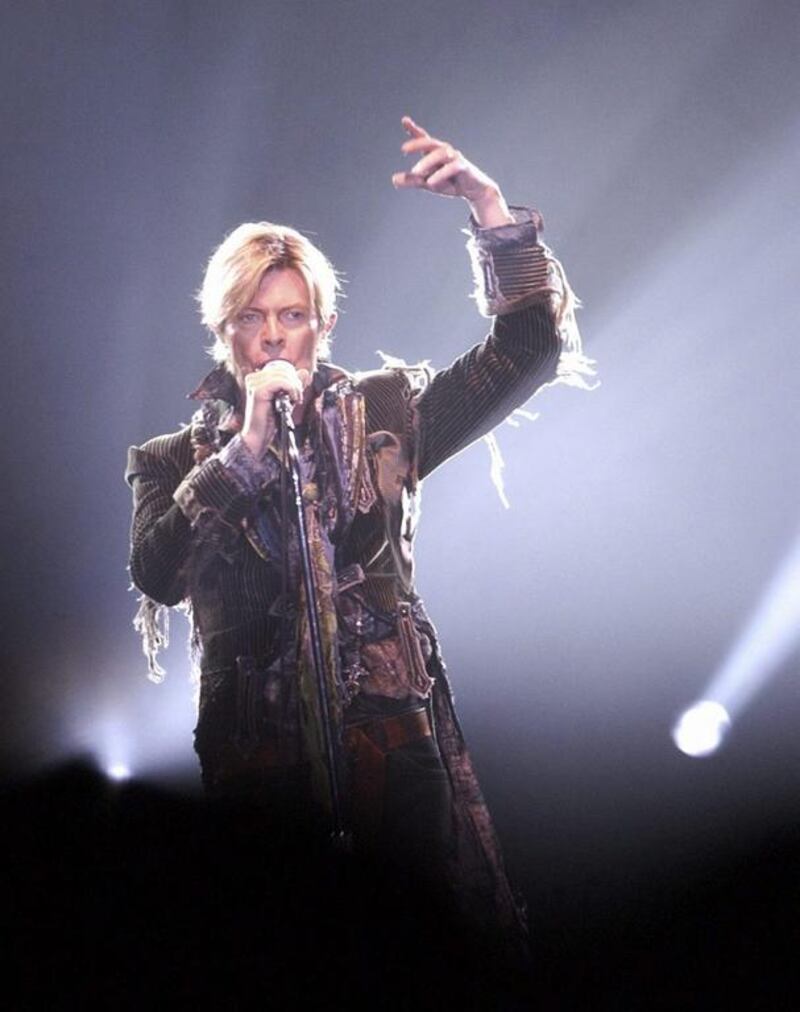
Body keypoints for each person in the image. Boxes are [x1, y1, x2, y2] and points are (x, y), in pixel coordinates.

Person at [126, 116, 593, 948]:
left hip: (391, 750)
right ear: (223, 331)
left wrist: (488, 209)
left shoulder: (387, 415)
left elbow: (526, 350)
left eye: (293, 314)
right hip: (256, 765)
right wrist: (247, 451)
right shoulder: (171, 461)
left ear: (323, 324)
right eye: (252, 317)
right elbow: (158, 571)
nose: (274, 335)